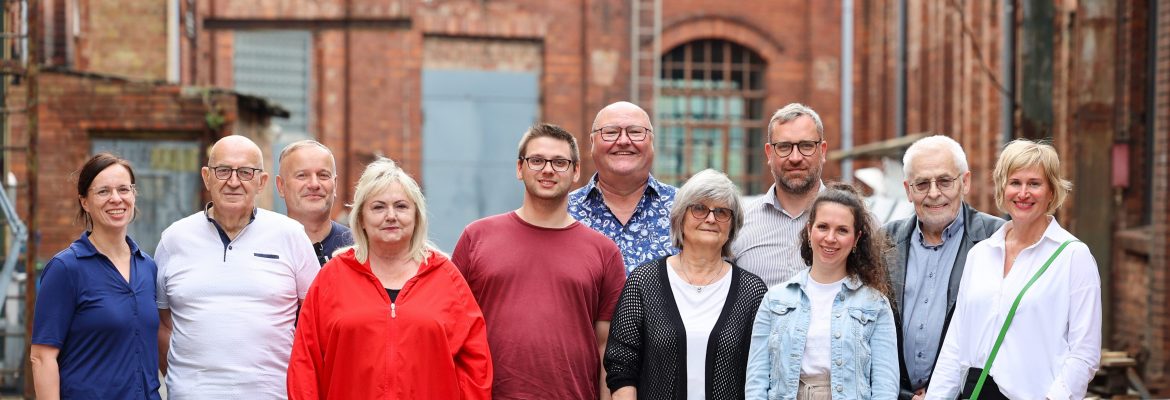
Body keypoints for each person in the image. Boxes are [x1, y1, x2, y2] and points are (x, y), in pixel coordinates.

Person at [287, 157, 492, 399]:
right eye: (378, 207)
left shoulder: (446, 277)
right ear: (361, 218)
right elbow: (305, 364)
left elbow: (475, 366)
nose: (391, 216)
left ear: (417, 215)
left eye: (401, 206)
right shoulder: (332, 277)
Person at [454, 123, 626, 399]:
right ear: (519, 168)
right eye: (537, 160)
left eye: (560, 162)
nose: (548, 169)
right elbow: (452, 331)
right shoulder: (476, 237)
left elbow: (609, 349)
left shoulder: (604, 251)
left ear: (576, 171)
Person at [925, 139, 1101, 399]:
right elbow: (956, 342)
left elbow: (1084, 352)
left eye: (1034, 184)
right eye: (1015, 182)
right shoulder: (980, 255)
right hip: (975, 392)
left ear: (1052, 191)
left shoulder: (1073, 256)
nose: (1023, 193)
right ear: (1002, 188)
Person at [156, 135, 320, 398]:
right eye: (223, 171)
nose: (233, 181)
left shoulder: (291, 236)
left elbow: (318, 322)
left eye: (245, 172)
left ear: (261, 181)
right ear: (207, 176)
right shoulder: (174, 239)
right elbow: (164, 325)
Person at [605, 169, 767, 399]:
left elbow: (761, 372)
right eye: (699, 208)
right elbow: (622, 366)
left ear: (732, 225)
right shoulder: (644, 282)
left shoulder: (751, 292)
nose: (711, 218)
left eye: (722, 212)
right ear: (680, 218)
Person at [745, 183, 898, 399]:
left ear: (856, 239)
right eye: (823, 227)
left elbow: (885, 388)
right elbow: (757, 381)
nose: (830, 238)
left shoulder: (875, 304)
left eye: (842, 230)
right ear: (809, 230)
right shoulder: (775, 299)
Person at [881, 135, 1004, 399]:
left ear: (965, 182)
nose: (934, 193)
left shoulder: (998, 240)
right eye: (922, 183)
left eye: (945, 181)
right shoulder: (883, 243)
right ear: (907, 189)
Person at [30, 153, 161, 399]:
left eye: (124, 189)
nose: (116, 199)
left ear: (133, 195)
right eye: (103, 192)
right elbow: (42, 357)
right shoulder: (66, 268)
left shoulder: (148, 267)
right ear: (85, 202)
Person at [569, 101, 678, 273]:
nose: (624, 141)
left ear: (652, 141)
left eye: (635, 132)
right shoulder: (563, 212)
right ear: (592, 142)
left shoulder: (685, 210)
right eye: (611, 132)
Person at [731, 103, 828, 288]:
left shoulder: (855, 221)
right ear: (769, 153)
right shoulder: (738, 223)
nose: (795, 158)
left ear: (822, 151)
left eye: (806, 146)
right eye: (784, 147)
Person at [276, 140, 352, 265]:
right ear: (281, 186)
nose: (314, 184)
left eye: (323, 175)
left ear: (335, 185)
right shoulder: (262, 247)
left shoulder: (359, 248)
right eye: (302, 175)